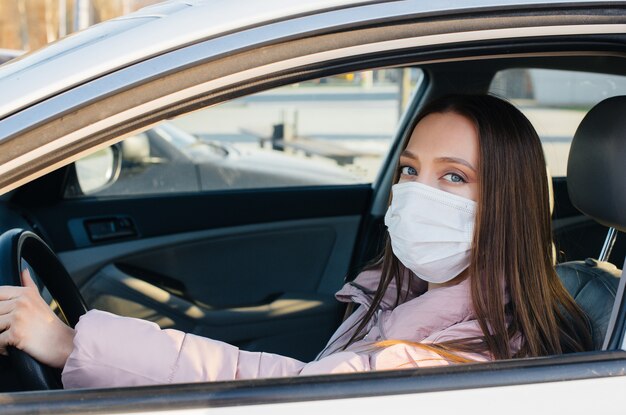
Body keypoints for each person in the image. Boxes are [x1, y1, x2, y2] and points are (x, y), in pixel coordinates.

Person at [0, 94, 592, 388]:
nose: (415, 193)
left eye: (453, 177)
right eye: (409, 170)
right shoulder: (415, 301)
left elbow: (263, 387)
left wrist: (70, 341)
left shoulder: (435, 363)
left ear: (506, 207)